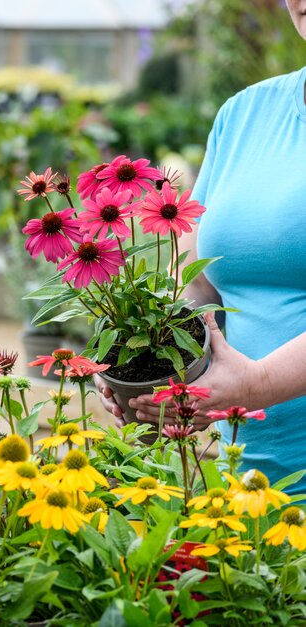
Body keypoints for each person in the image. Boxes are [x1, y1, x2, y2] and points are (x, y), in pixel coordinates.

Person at [98, 0, 306, 493]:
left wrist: (253, 385)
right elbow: (197, 287)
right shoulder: (244, 115)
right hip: (249, 479)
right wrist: (145, 365)